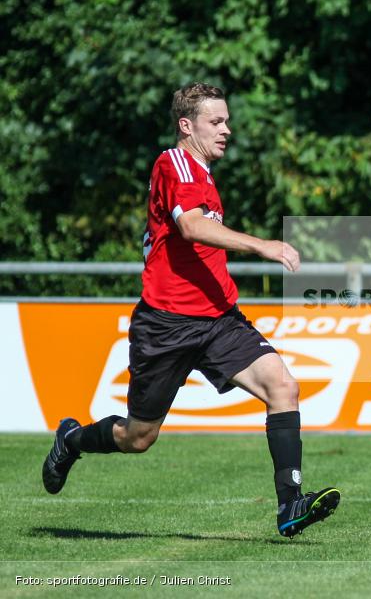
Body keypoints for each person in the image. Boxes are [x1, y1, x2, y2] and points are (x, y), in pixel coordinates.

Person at [41, 82, 340, 538]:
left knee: (283, 387)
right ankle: (72, 439)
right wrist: (262, 245)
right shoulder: (174, 163)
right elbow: (192, 227)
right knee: (138, 437)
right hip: (167, 324)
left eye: (227, 121)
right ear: (186, 125)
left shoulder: (203, 173)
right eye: (216, 121)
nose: (227, 130)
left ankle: (289, 505)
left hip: (218, 319)